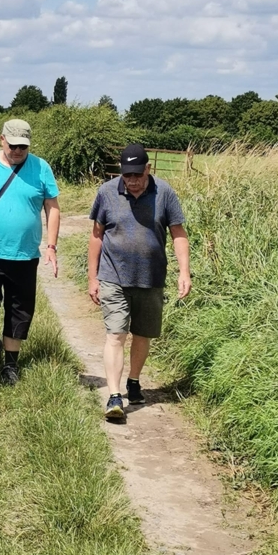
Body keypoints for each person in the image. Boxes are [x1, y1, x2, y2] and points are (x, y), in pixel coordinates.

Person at [88, 143, 191, 419]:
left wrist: (184, 272)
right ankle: (114, 396)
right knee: (116, 335)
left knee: (143, 335)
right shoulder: (107, 193)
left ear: (148, 168)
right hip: (113, 276)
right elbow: (96, 235)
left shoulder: (164, 193)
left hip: (151, 277)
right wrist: (92, 277)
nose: (132, 180)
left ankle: (133, 381)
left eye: (138, 174)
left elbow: (178, 234)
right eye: (127, 175)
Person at [0, 118, 60, 384]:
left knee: (19, 310)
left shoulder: (41, 168)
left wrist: (51, 246)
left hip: (25, 255)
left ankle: (10, 364)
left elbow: (52, 208)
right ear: (2, 140)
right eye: (13, 145)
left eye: (23, 147)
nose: (18, 151)